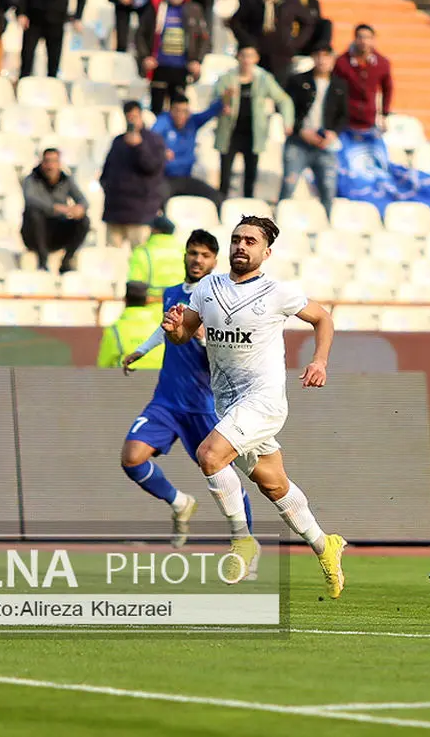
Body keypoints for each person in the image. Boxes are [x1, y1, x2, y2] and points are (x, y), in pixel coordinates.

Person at [160, 215, 346, 596]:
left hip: (264, 399)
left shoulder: (278, 292)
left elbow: (323, 319)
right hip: (228, 404)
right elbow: (184, 336)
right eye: (236, 239)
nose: (241, 246)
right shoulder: (208, 287)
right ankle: (324, 544)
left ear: (266, 251)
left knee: (210, 456)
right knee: (273, 485)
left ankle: (243, 539)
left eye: (250, 241)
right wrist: (175, 328)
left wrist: (319, 360)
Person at [118, 230, 257, 550]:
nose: (198, 260)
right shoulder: (171, 293)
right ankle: (180, 502)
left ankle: (245, 543)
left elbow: (233, 349)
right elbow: (165, 326)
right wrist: (142, 349)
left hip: (205, 404)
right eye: (194, 253)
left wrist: (205, 338)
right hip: (166, 400)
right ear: (185, 255)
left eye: (206, 255)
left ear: (215, 261)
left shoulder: (222, 298)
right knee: (132, 458)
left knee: (228, 479)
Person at [214, 45, 295, 199]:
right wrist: (224, 102)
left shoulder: (264, 78)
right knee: (224, 177)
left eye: (251, 56)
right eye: (244, 55)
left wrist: (288, 121)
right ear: (238, 57)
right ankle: (221, 206)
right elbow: (216, 98)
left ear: (256, 59)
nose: (246, 60)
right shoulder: (227, 77)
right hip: (230, 132)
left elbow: (284, 99)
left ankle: (249, 213)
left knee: (250, 177)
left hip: (253, 133)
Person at [282, 45, 348, 208]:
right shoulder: (297, 81)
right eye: (318, 55)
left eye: (326, 56)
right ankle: (277, 223)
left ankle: (326, 222)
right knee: (289, 184)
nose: (322, 60)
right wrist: (301, 130)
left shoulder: (340, 85)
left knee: (328, 187)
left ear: (332, 59)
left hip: (324, 144)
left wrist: (333, 133)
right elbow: (287, 109)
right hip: (298, 142)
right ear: (312, 57)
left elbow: (344, 115)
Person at [136, 0, 210, 114]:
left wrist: (197, 61)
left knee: (178, 109)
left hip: (181, 67)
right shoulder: (156, 9)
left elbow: (205, 38)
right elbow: (140, 35)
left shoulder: (193, 10)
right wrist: (145, 57)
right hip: (160, 66)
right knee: (156, 109)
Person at [229, 0, 314, 82]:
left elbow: (308, 22)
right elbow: (236, 22)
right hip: (257, 54)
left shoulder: (290, 0)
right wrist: (248, 43)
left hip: (281, 55)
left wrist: (295, 44)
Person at [101, 101, 167, 249]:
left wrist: (139, 147)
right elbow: (106, 172)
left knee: (138, 259)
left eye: (135, 116)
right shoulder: (118, 141)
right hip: (115, 211)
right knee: (112, 260)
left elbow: (153, 168)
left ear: (141, 116)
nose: (132, 120)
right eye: (129, 117)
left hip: (140, 213)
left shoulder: (153, 140)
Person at [21, 147, 90, 273]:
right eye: (47, 161)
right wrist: (55, 208)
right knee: (35, 213)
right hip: (35, 233)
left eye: (54, 161)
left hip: (57, 231)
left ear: (59, 163)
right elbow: (31, 200)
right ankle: (42, 260)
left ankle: (66, 260)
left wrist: (79, 208)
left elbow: (83, 200)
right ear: (42, 163)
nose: (50, 166)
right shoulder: (31, 179)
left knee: (84, 220)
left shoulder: (66, 180)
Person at [154, 94, 224, 211]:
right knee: (159, 197)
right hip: (166, 178)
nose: (180, 115)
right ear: (170, 111)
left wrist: (224, 99)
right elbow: (151, 138)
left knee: (217, 197)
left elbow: (210, 112)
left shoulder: (192, 122)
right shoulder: (164, 122)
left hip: (186, 178)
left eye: (184, 111)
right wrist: (161, 149)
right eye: (177, 111)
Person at [333, 24, 394, 132]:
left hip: (370, 119)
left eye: (368, 38)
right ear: (355, 39)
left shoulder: (382, 63)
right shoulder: (342, 62)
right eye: (360, 37)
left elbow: (388, 88)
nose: (364, 41)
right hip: (347, 119)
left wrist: (384, 113)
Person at [98, 282, 162, 371]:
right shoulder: (159, 328)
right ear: (147, 300)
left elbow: (103, 365)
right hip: (156, 380)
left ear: (125, 300)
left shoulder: (115, 330)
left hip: (125, 381)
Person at [127, 214, 185, 309]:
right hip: (179, 309)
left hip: (149, 309)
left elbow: (135, 288)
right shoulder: (184, 251)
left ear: (155, 230)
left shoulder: (142, 252)